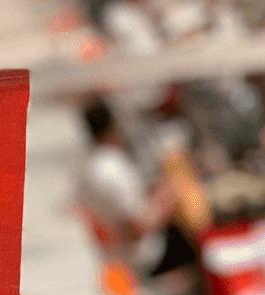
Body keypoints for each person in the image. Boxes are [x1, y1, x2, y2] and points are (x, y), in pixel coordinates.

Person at [75, 98, 201, 277]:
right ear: (114, 124)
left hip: (118, 254)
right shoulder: (111, 168)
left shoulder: (90, 164)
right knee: (201, 237)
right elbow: (137, 227)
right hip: (146, 256)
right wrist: (171, 193)